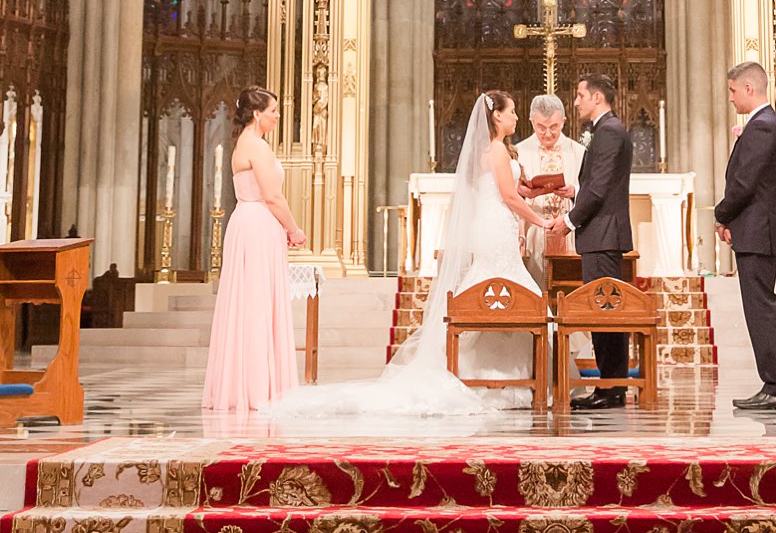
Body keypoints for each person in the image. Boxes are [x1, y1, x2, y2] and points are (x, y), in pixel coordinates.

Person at [268, 91, 557, 421]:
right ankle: (506, 377)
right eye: (512, 112)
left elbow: (509, 190)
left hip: (492, 226)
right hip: (497, 227)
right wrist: (542, 220)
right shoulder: (497, 152)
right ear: (496, 117)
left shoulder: (487, 152)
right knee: (507, 297)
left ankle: (489, 374)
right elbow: (508, 196)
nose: (516, 117)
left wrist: (534, 193)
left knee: (490, 295)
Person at [202, 86, 306, 413]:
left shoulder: (243, 144)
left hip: (247, 223)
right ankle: (259, 389)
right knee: (258, 306)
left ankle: (245, 385)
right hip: (258, 223)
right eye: (273, 111)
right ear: (258, 114)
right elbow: (273, 196)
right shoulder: (256, 147)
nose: (277, 116)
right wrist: (294, 229)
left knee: (249, 305)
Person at [714, 60, 776, 412]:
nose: (730, 97)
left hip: (759, 232)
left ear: (749, 89)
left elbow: (744, 184)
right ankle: (773, 384)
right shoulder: (762, 125)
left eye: (732, 90)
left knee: (761, 309)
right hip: (755, 230)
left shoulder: (762, 127)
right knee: (759, 308)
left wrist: (721, 215)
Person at [568, 73, 635, 410]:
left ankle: (612, 388)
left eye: (580, 95)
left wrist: (568, 221)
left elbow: (601, 188)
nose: (577, 101)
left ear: (596, 97)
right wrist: (574, 192)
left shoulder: (609, 131)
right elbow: (594, 184)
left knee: (607, 312)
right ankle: (610, 386)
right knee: (602, 311)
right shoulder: (607, 130)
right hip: (600, 232)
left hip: (603, 232)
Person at [516, 93, 585, 289]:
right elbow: (511, 195)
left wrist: (574, 191)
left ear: (563, 121)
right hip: (533, 232)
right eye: (541, 127)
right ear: (532, 122)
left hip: (568, 231)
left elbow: (590, 192)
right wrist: (525, 192)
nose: (547, 133)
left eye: (554, 127)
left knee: (567, 291)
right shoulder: (519, 151)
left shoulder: (578, 152)